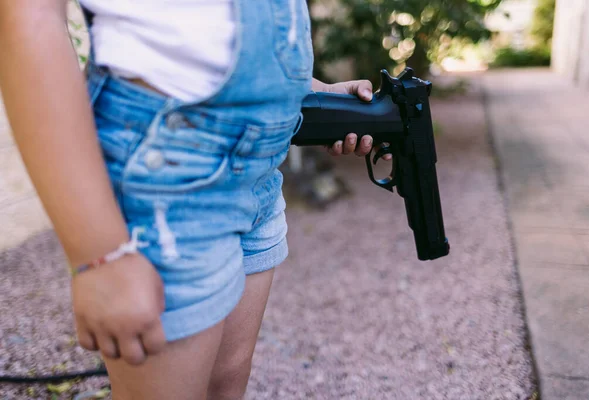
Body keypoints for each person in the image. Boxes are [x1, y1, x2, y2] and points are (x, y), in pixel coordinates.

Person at [0, 1, 379, 399]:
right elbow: (29, 15)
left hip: (260, 171)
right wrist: (99, 254)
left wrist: (317, 93)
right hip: (165, 172)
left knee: (227, 381)